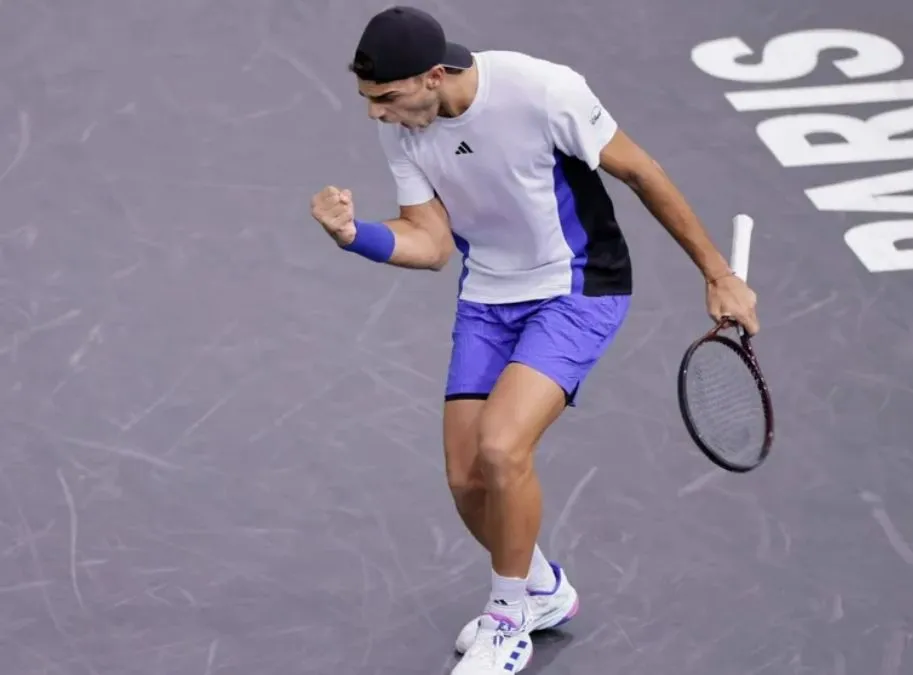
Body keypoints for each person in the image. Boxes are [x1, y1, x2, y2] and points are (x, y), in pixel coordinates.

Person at [309, 6, 760, 674]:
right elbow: (432, 243)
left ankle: (508, 617)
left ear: (434, 76)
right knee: (466, 478)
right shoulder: (403, 125)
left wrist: (718, 274)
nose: (376, 113)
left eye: (387, 97)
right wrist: (354, 236)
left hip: (578, 285)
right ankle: (542, 589)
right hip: (489, 296)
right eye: (368, 99)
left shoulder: (542, 91)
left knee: (501, 445)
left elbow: (641, 171)